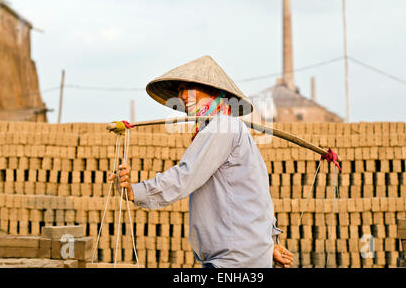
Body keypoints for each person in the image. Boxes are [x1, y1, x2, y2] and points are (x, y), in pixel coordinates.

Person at [110, 56, 293, 268]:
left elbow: (186, 175)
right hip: (243, 254)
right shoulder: (227, 128)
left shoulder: (223, 126)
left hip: (234, 259)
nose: (183, 95)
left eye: (191, 88)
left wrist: (137, 192)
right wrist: (266, 242)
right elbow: (257, 194)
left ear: (215, 93)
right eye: (180, 89)